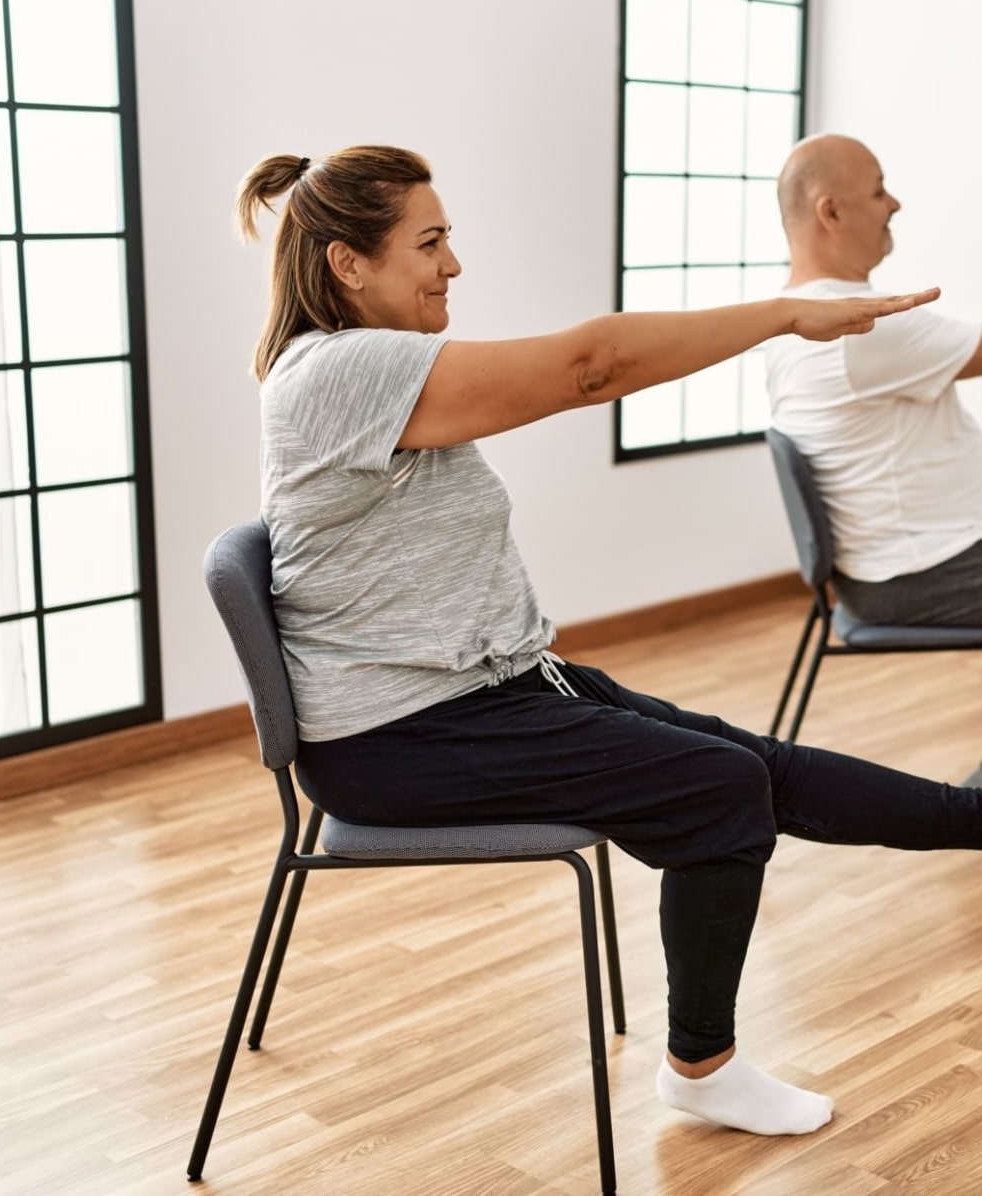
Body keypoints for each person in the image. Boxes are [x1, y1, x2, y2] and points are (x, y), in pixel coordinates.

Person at [237, 143, 978, 1138]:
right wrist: (784, 312)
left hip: (487, 692)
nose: (453, 264)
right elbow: (592, 366)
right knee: (720, 791)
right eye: (430, 241)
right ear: (347, 265)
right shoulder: (339, 372)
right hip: (398, 738)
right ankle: (701, 1066)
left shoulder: (377, 367)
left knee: (752, 763)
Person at [768, 133, 982, 626]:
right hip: (922, 571)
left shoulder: (795, 317)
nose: (895, 203)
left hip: (900, 563)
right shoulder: (859, 325)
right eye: (879, 190)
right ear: (832, 212)